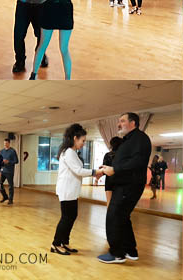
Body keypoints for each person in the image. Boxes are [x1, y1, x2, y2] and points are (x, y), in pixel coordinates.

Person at [95, 112, 152, 264]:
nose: (118, 124)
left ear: (133, 123)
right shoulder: (129, 140)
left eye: (122, 121)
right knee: (122, 217)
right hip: (124, 185)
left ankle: (117, 253)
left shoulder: (140, 139)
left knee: (113, 216)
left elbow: (137, 162)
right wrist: (109, 168)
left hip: (129, 186)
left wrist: (116, 170)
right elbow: (125, 161)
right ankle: (130, 250)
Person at [52, 124, 97, 255]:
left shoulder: (71, 152)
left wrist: (95, 172)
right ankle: (56, 244)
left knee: (72, 216)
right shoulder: (69, 152)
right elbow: (78, 170)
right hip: (66, 190)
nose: (83, 143)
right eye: (83, 140)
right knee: (66, 217)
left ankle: (64, 242)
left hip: (71, 190)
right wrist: (96, 172)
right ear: (75, 138)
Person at [102, 137, 123, 206]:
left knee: (109, 203)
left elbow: (104, 168)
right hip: (120, 181)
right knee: (119, 204)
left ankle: (109, 217)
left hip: (109, 181)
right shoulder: (122, 156)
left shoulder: (107, 155)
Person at [0, 138, 19, 205]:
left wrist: (8, 161)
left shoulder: (12, 151)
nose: (5, 145)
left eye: (6, 143)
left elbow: (16, 161)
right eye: (4, 143)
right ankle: (5, 196)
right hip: (3, 171)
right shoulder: (2, 151)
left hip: (10, 171)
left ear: (9, 143)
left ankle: (10, 199)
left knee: (10, 186)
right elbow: (0, 161)